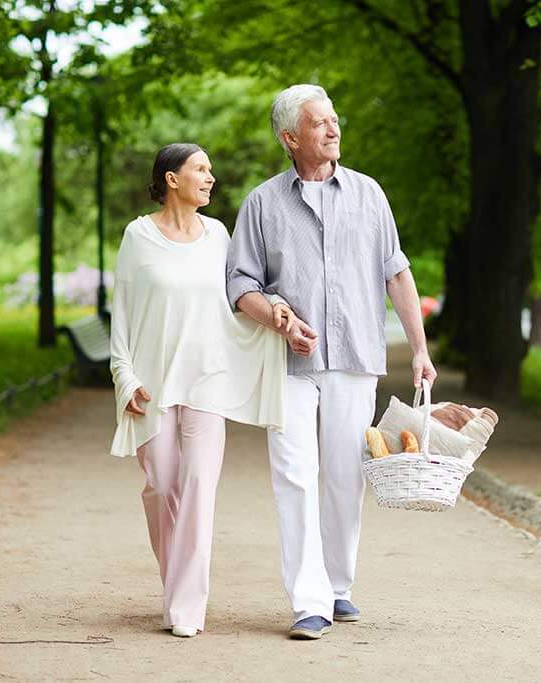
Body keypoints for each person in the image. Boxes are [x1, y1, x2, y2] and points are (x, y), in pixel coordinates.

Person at [226, 84, 437, 640]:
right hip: (287, 364)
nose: (333, 128)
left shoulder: (369, 195)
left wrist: (419, 349)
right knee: (295, 475)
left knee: (346, 475)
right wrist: (277, 317)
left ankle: (339, 586)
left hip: (356, 355)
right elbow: (240, 283)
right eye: (319, 123)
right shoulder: (262, 203)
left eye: (334, 119)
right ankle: (309, 600)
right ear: (290, 138)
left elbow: (396, 272)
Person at [109, 143, 309, 638]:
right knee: (161, 485)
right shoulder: (138, 236)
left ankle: (185, 606)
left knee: (198, 488)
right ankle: (175, 583)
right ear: (172, 179)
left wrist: (276, 311)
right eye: (201, 169)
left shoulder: (219, 235)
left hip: (208, 380)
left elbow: (240, 295)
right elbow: (123, 314)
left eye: (211, 170)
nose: (211, 177)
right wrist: (124, 376)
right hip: (152, 383)